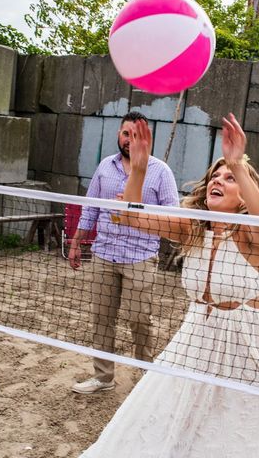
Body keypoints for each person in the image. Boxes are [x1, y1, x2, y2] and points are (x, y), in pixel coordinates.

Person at [79, 113, 259, 457]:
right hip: (199, 333)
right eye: (215, 176)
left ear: (245, 193)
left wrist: (237, 161)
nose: (220, 180)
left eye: (230, 178)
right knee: (170, 400)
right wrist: (139, 170)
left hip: (249, 333)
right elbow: (130, 215)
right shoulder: (193, 229)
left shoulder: (251, 235)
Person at [68, 111, 179, 394]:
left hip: (140, 257)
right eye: (125, 133)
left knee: (138, 318)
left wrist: (136, 205)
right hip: (104, 254)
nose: (129, 140)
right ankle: (103, 378)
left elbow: (173, 218)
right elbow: (91, 207)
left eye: (136, 135)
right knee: (102, 318)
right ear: (119, 135)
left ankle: (147, 378)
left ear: (146, 139)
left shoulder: (160, 171)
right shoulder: (106, 166)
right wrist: (76, 242)